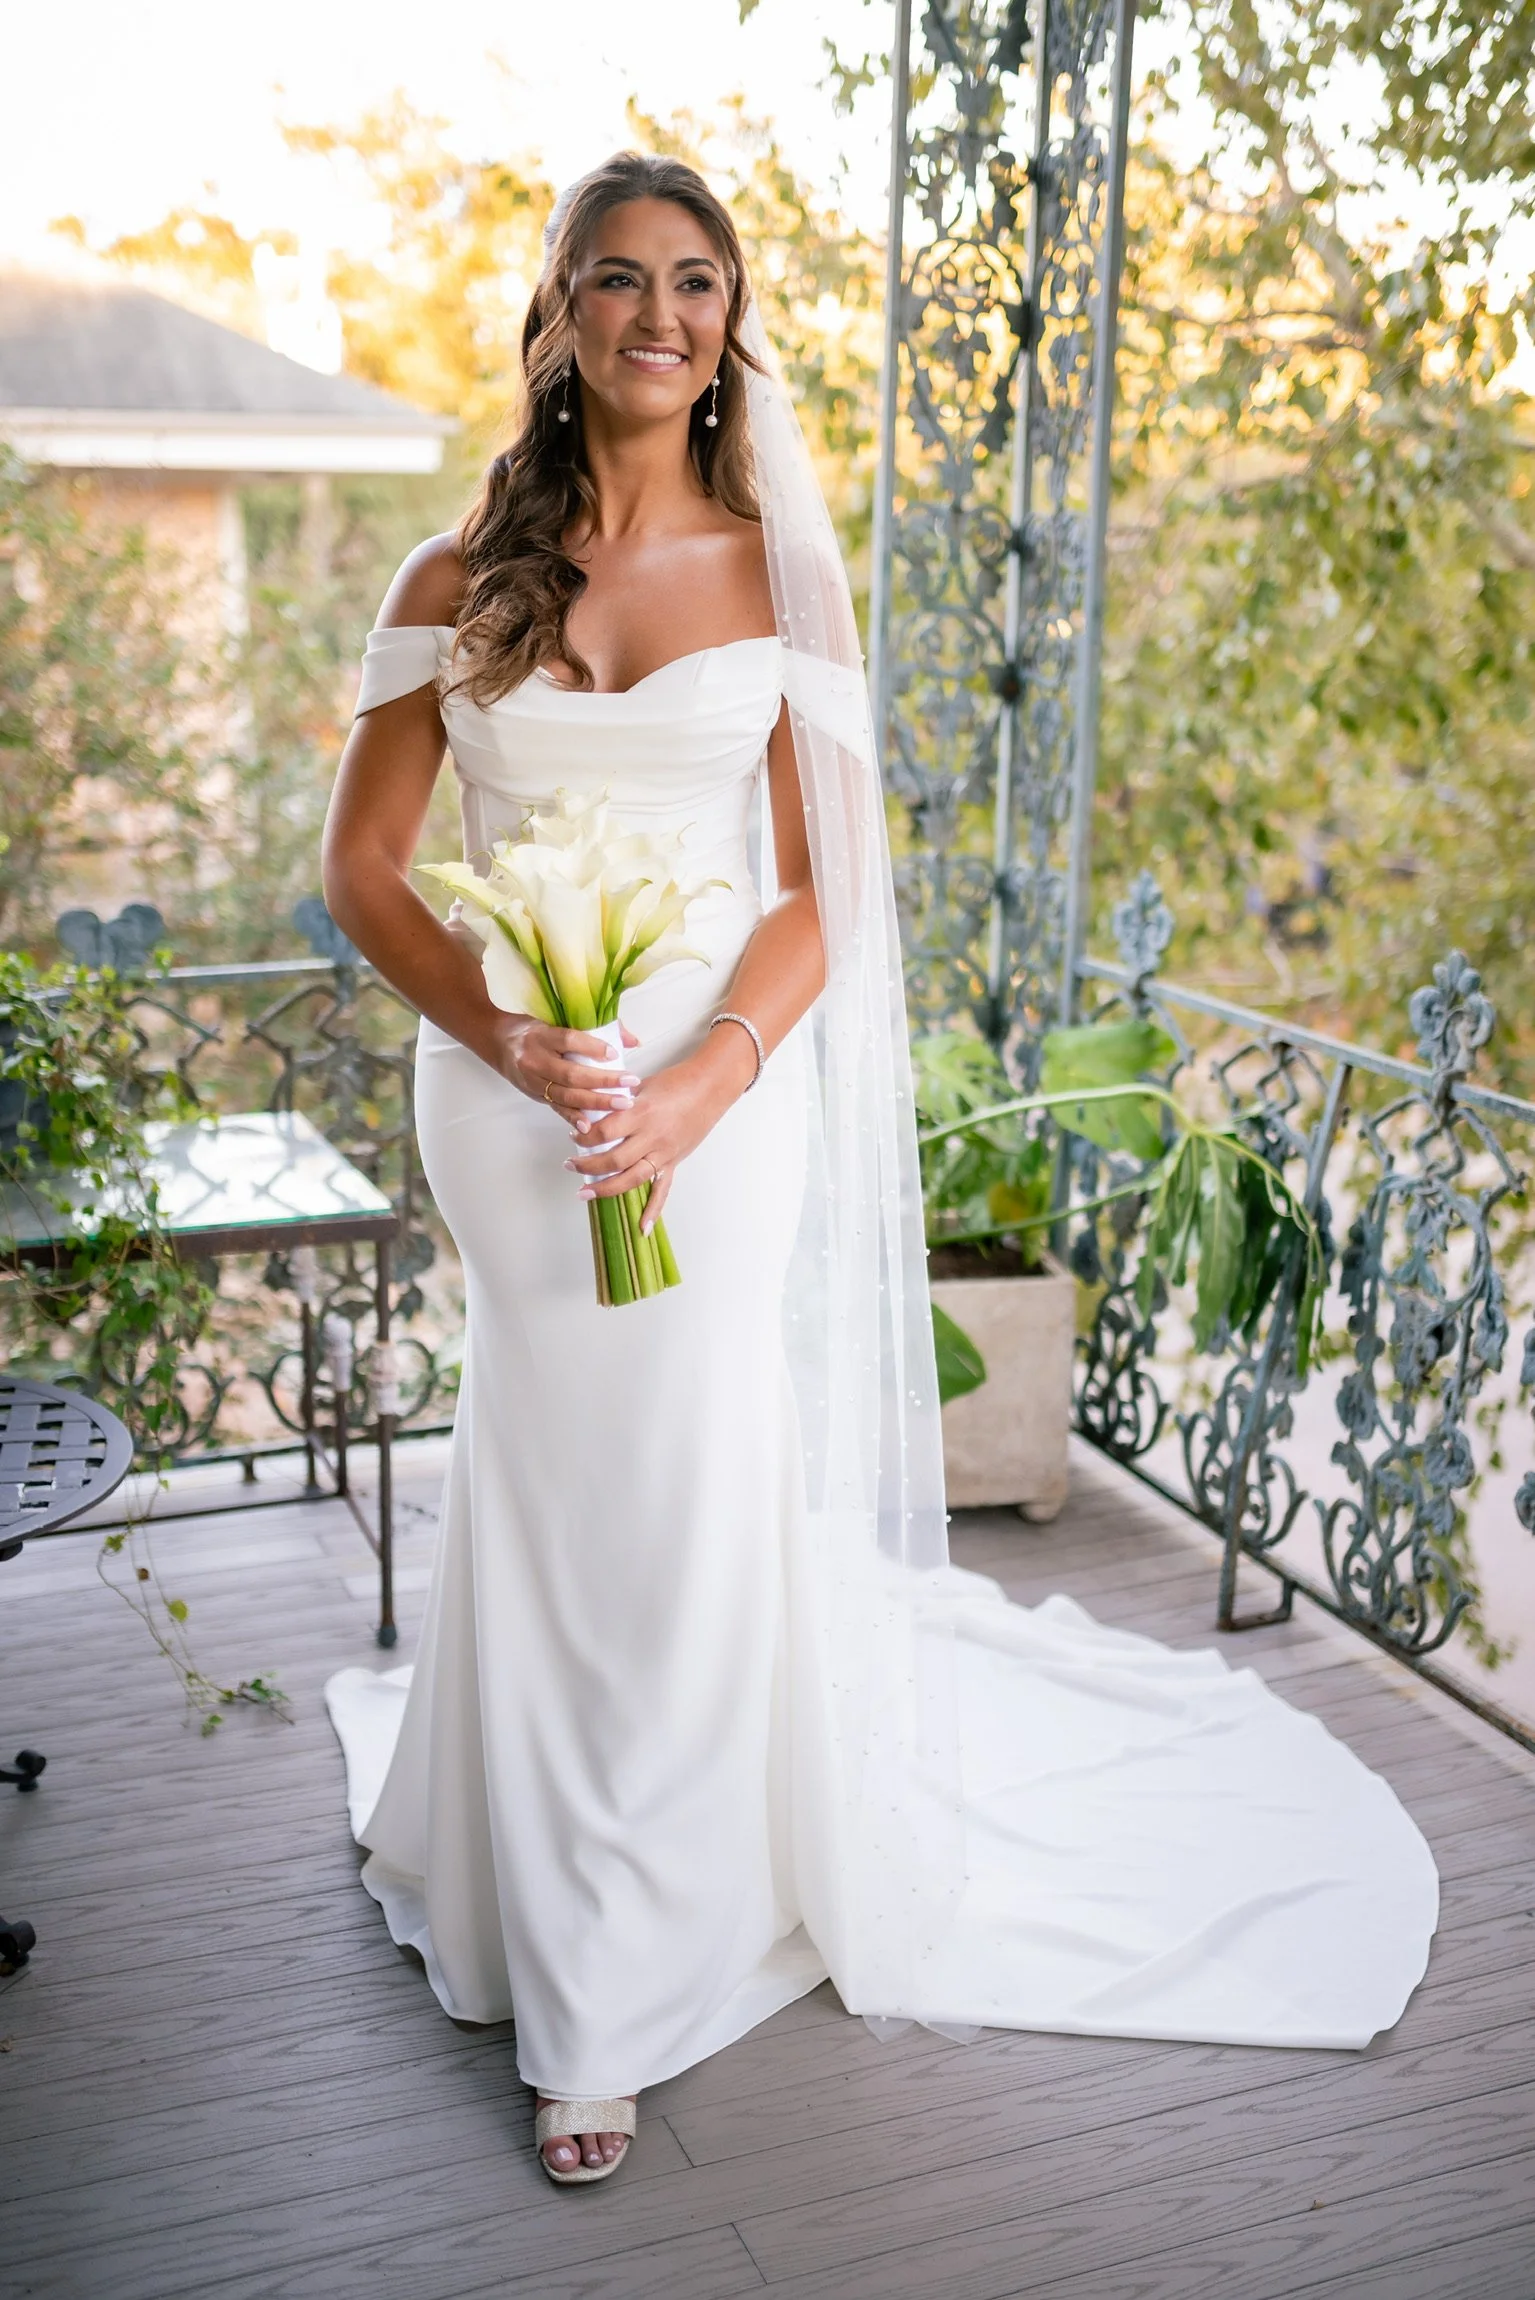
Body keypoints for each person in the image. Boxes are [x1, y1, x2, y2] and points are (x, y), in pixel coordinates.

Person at [321, 151, 1438, 2189]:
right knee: (563, 1471)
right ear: (559, 314)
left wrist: (706, 1079)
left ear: (731, 318)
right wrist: (504, 1035)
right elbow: (364, 872)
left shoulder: (782, 573)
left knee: (667, 1492)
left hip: (713, 1092)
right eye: (617, 281)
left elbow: (828, 892)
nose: (659, 315)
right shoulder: (447, 573)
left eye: (696, 282)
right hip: (510, 1094)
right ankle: (528, 1885)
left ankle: (600, 1973)